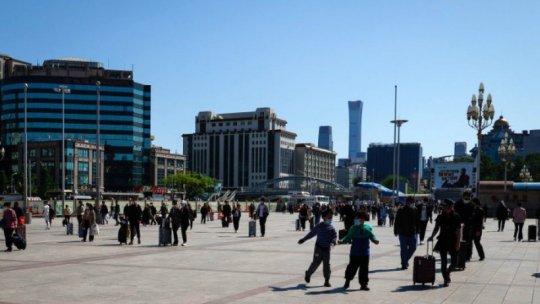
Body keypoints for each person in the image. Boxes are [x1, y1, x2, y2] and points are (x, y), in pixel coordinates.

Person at [339, 211, 379, 291]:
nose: (356, 219)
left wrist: (375, 240)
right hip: (355, 252)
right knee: (352, 267)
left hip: (365, 252)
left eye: (358, 218)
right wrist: (342, 241)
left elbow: (372, 236)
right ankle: (348, 280)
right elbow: (348, 237)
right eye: (356, 218)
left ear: (363, 219)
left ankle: (363, 284)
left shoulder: (368, 227)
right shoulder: (353, 228)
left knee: (364, 269)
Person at [298, 209, 337, 287]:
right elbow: (311, 234)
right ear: (324, 217)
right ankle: (308, 273)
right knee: (316, 263)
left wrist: (333, 242)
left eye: (331, 217)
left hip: (327, 249)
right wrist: (303, 239)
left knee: (326, 265)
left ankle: (327, 280)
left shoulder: (331, 228)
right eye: (329, 217)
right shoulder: (319, 226)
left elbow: (334, 236)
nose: (330, 218)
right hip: (319, 248)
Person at [428, 199, 462, 287]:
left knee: (455, 262)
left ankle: (448, 272)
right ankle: (446, 279)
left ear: (450, 207)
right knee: (444, 262)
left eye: (445, 206)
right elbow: (436, 228)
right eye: (443, 206)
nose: (443, 207)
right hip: (443, 240)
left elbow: (458, 231)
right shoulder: (440, 217)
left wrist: (458, 243)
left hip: (453, 240)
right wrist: (432, 236)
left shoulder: (456, 216)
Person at [394, 197, 417, 270]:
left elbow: (417, 221)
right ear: (407, 202)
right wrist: (396, 230)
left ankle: (405, 260)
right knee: (403, 249)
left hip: (412, 232)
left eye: (413, 202)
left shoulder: (415, 210)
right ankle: (404, 264)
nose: (412, 203)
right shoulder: (401, 210)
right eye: (410, 202)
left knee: (413, 247)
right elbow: (397, 221)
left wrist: (419, 230)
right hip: (402, 232)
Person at [454, 190, 475, 261]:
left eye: (468, 197)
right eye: (466, 197)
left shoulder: (472, 204)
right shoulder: (458, 204)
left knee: (468, 241)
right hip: (458, 225)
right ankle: (458, 253)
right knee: (458, 240)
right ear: (463, 196)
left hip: (468, 226)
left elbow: (473, 215)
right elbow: (455, 214)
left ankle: (468, 255)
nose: (467, 199)